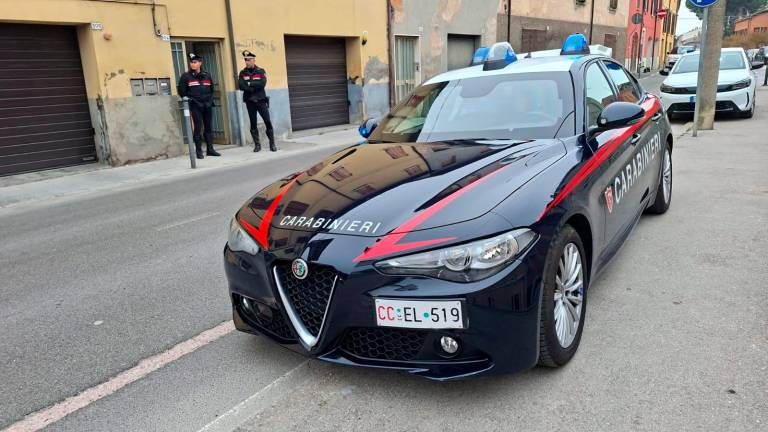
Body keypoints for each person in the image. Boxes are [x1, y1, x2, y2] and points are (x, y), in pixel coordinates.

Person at [177, 53, 220, 159]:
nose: (193, 64)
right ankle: (199, 151)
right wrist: (191, 100)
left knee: (208, 127)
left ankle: (210, 149)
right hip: (196, 105)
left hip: (207, 105)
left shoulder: (207, 75)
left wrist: (209, 101)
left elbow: (211, 90)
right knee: (197, 127)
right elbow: (182, 92)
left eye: (195, 62)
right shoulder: (186, 76)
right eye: (191, 62)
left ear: (200, 63)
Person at [238, 50, 276, 152]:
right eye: (246, 60)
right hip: (250, 101)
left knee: (267, 121)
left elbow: (262, 84)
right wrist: (252, 86)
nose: (247, 62)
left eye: (249, 60)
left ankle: (272, 143)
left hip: (261, 100)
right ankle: (257, 145)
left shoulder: (260, 71)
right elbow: (241, 86)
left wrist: (249, 84)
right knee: (253, 123)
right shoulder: (242, 72)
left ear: (254, 60)